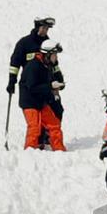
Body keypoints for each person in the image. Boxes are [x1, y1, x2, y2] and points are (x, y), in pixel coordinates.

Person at [8, 15, 65, 148]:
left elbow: (54, 65)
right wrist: (12, 81)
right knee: (35, 125)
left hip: (45, 88)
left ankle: (52, 143)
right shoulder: (25, 43)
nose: (46, 31)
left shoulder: (48, 44)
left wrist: (58, 79)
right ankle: (33, 149)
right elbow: (15, 63)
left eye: (47, 28)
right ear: (37, 27)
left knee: (57, 111)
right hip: (31, 88)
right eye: (44, 27)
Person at [18, 40, 66, 151]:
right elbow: (32, 87)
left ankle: (59, 150)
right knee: (34, 128)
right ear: (47, 55)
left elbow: (52, 80)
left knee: (54, 124)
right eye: (54, 55)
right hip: (30, 103)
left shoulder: (47, 65)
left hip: (41, 102)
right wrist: (50, 86)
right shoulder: (33, 66)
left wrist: (57, 85)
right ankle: (30, 151)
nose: (56, 58)